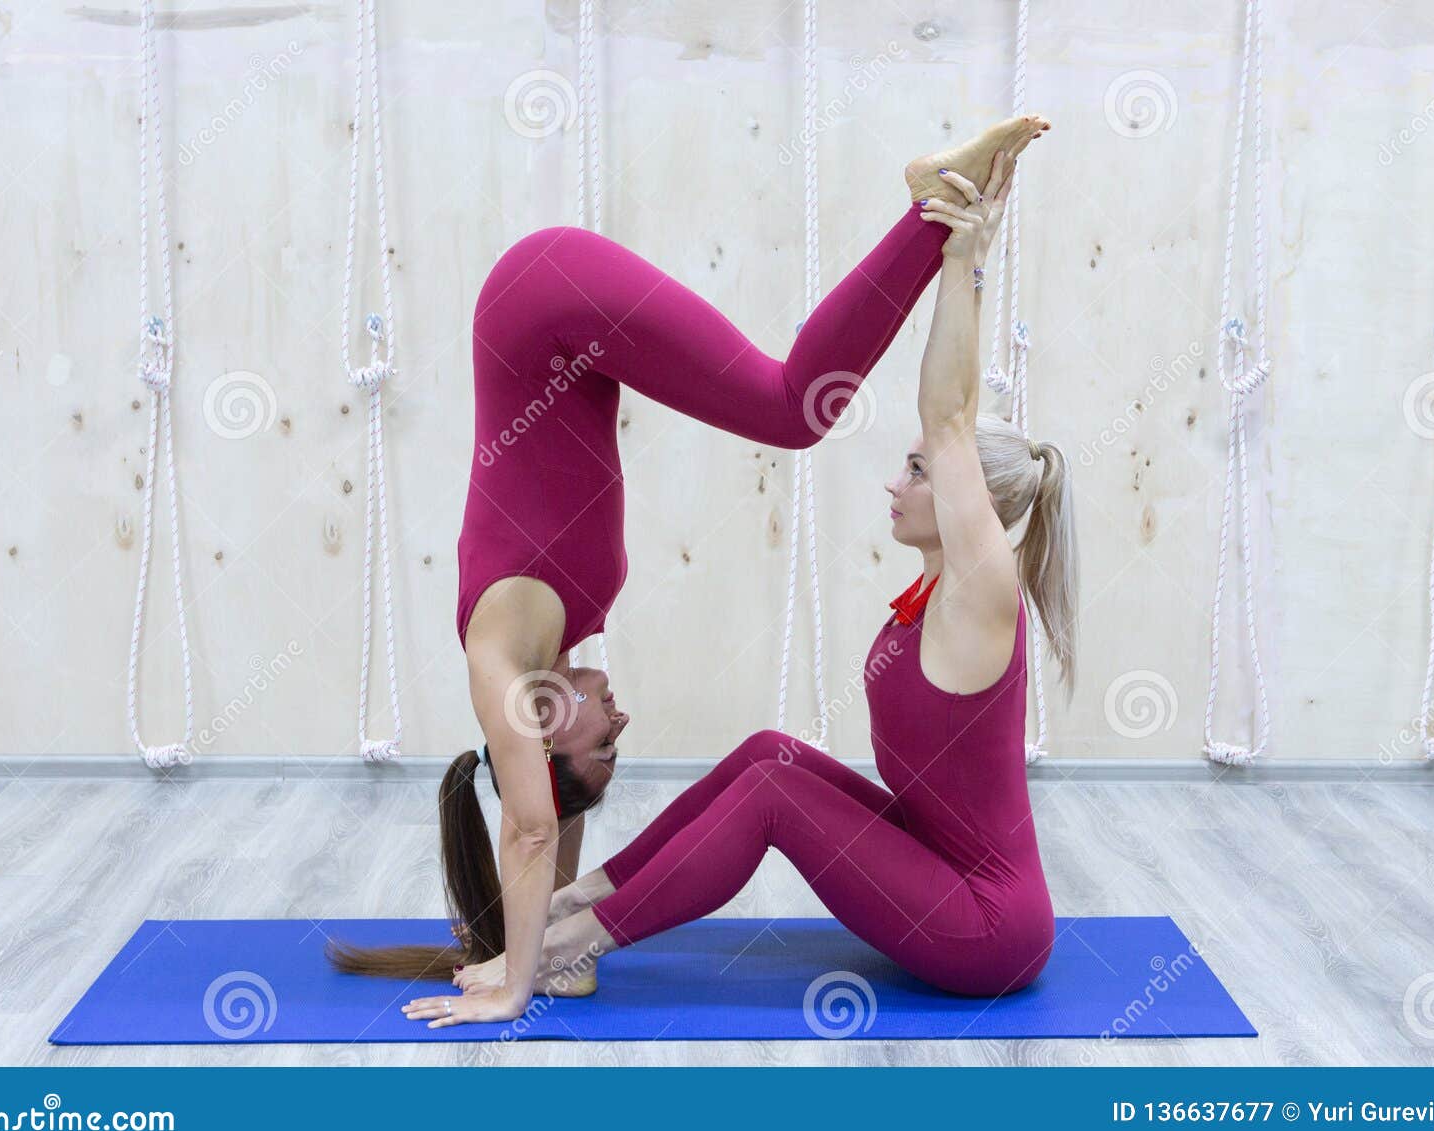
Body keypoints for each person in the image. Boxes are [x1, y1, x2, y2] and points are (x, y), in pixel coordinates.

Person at [331, 116, 1055, 1027]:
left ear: (543, 723)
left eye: (599, 741)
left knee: (796, 411)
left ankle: (923, 206)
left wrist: (519, 978)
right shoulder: (562, 631)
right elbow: (542, 816)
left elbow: (529, 821)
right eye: (615, 747)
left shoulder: (502, 662)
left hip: (541, 307)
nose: (619, 717)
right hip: (559, 319)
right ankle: (571, 923)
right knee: (768, 754)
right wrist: (546, 914)